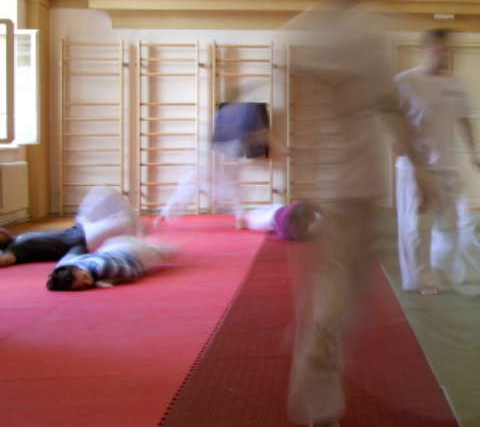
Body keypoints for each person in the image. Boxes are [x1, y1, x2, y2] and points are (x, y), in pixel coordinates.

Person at [283, 0, 436, 427]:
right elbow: (292, 100)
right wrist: (304, 178)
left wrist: (420, 165)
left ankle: (313, 364)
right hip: (334, 192)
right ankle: (322, 419)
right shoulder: (313, 30)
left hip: (366, 191)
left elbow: (389, 106)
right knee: (331, 312)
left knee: (349, 309)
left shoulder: (371, 30)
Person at [394, 29, 480, 294]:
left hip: (447, 164)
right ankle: (419, 279)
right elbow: (391, 118)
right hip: (415, 167)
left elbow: (464, 120)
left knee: (452, 225)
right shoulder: (405, 81)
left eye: (449, 49)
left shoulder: (455, 84)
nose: (445, 54)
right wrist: (396, 141)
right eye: (439, 49)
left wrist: (474, 153)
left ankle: (440, 269)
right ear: (425, 50)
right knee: (416, 227)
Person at [159, 100, 275, 228]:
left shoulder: (230, 127)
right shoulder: (218, 123)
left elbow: (255, 135)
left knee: (231, 189)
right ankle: (165, 214)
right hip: (204, 164)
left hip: (216, 164)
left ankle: (240, 217)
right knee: (187, 189)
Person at [1, 187, 140, 267]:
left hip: (80, 228)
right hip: (82, 239)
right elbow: (5, 260)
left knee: (102, 191)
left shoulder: (17, 238)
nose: (2, 229)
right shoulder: (14, 249)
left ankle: (129, 238)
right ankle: (136, 239)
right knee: (125, 222)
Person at [46, 234, 176, 291]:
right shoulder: (68, 265)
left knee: (168, 251)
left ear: (79, 269)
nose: (89, 282)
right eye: (84, 285)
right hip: (111, 247)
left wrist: (111, 280)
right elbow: (73, 252)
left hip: (133, 253)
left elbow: (132, 273)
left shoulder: (104, 268)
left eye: (85, 277)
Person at [244, 201, 322, 241]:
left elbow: (311, 205)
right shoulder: (286, 228)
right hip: (271, 219)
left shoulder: (303, 208)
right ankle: (245, 219)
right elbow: (285, 235)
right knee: (250, 221)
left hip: (279, 208)